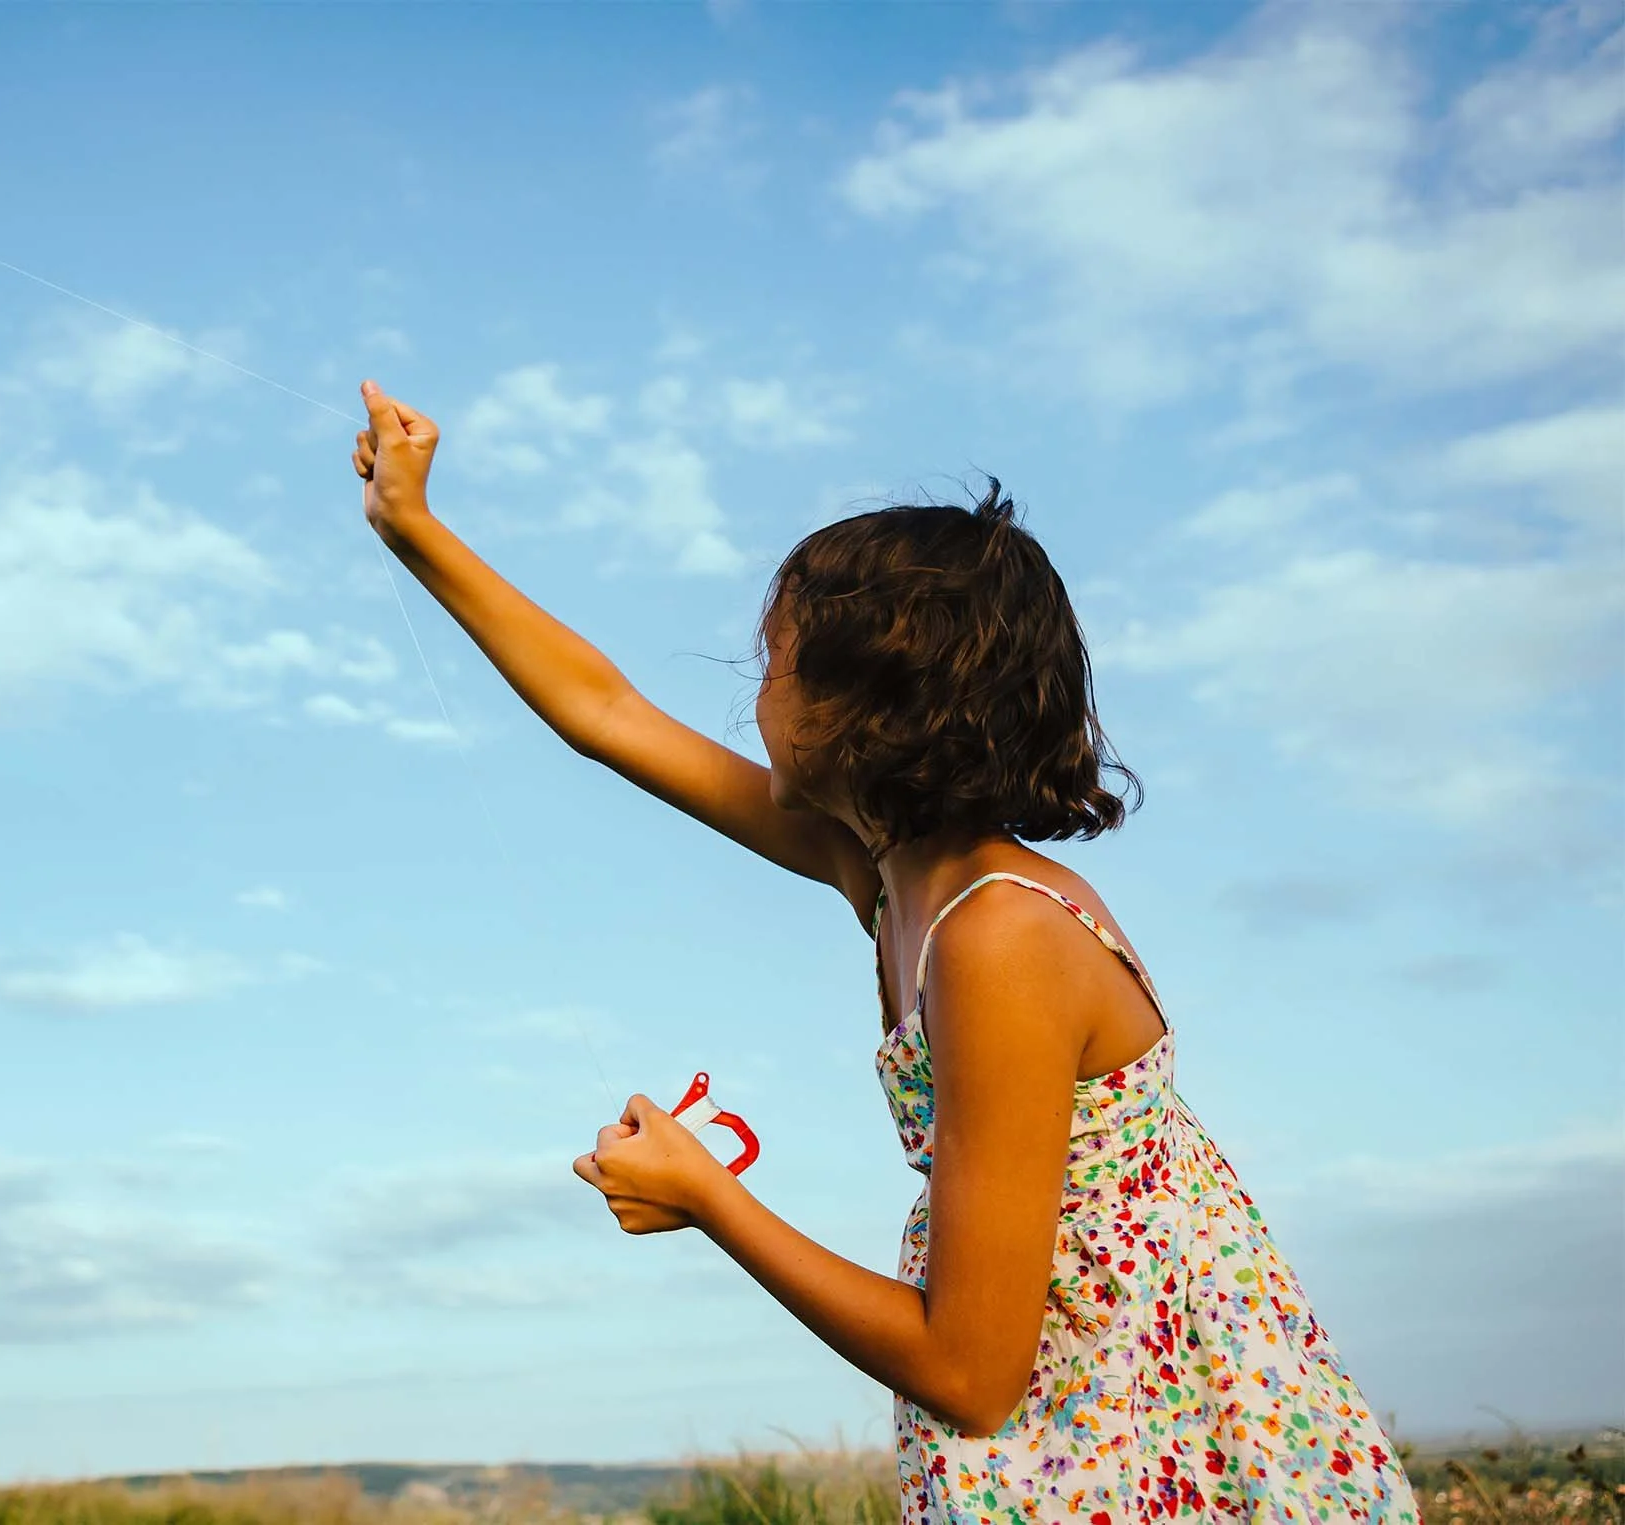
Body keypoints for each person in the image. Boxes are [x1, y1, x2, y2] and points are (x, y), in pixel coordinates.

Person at [350, 380, 1418, 1523]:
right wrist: (415, 529)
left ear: (870, 707)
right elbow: (604, 711)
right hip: (1085, 1417)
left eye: (775, 659)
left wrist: (712, 1202)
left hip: (1154, 1441)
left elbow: (968, 1371)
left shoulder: (996, 935)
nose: (752, 690)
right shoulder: (879, 864)